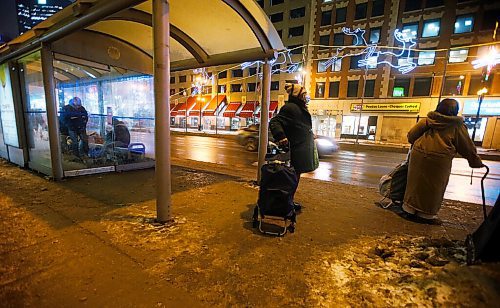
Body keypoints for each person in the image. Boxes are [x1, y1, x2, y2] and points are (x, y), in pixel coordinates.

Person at [402, 98, 483, 223]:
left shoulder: (428, 120)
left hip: (419, 154)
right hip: (440, 159)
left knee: (414, 183)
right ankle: (426, 215)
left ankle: (408, 210)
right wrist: (475, 161)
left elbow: (411, 135)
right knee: (434, 187)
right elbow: (466, 146)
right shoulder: (457, 126)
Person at [270, 83, 319, 211]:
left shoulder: (299, 108)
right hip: (295, 151)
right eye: (304, 95)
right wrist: (281, 137)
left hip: (301, 149)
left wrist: (309, 133)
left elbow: (298, 125)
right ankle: (286, 204)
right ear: (298, 95)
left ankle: (289, 202)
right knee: (291, 180)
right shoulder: (290, 108)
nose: (306, 97)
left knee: (294, 179)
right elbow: (274, 122)